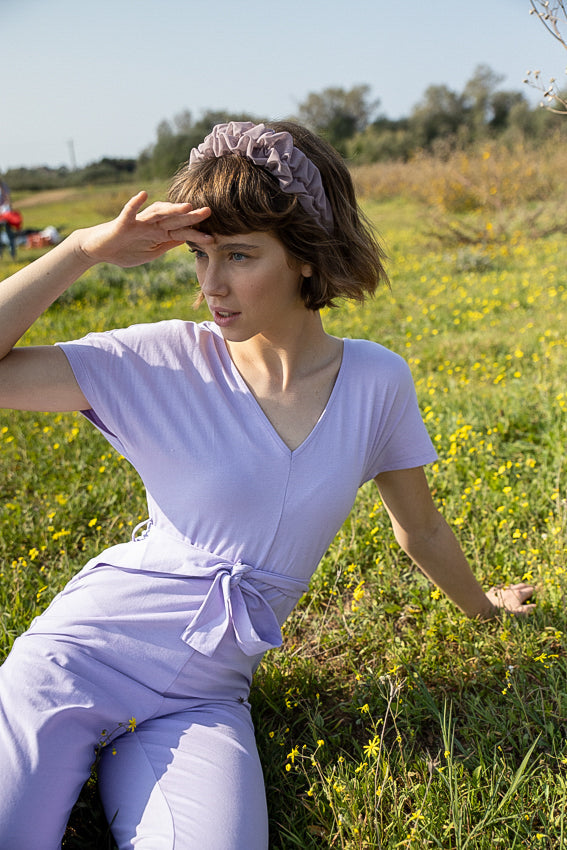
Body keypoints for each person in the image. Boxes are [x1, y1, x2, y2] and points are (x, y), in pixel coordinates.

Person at [0, 121, 535, 849]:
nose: (209, 285)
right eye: (199, 255)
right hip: (80, 656)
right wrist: (82, 250)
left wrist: (484, 609)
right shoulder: (156, 361)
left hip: (204, 697)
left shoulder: (376, 381)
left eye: (239, 256)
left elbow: (423, 528)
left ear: (306, 259)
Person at [0, 176, 17, 260]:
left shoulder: (4, 186)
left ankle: (12, 254)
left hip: (6, 215)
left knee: (9, 235)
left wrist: (5, 209)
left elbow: (8, 200)